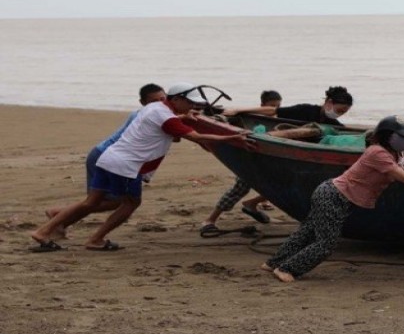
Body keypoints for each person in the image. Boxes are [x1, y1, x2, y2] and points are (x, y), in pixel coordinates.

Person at [30, 83, 249, 252]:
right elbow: (197, 136)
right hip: (126, 166)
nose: (193, 106)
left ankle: (43, 231)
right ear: (177, 99)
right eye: (189, 103)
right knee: (131, 203)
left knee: (92, 201)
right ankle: (96, 239)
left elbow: (166, 118)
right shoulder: (166, 117)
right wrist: (232, 137)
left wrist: (184, 115)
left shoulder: (155, 107)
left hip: (108, 158)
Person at [263, 116, 404, 283]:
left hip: (337, 196)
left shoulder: (399, 153)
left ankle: (271, 263)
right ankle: (287, 269)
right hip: (333, 195)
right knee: (326, 243)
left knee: (307, 231)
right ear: (389, 137)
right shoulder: (377, 153)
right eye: (403, 137)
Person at [44, 83, 167, 226]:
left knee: (97, 201)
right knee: (114, 201)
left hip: (104, 155)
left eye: (162, 100)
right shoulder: (144, 116)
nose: (159, 104)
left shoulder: (151, 114)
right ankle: (58, 214)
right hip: (108, 157)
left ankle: (60, 223)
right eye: (154, 101)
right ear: (143, 103)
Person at [199, 90, 282, 235]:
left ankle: (253, 203)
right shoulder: (252, 119)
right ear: (262, 105)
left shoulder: (277, 121)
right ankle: (210, 220)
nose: (275, 109)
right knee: (239, 190)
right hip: (249, 162)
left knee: (279, 187)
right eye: (272, 106)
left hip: (267, 161)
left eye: (278, 105)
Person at [225, 86, 353, 126]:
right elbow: (272, 111)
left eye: (343, 113)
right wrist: (238, 110)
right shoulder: (305, 110)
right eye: (339, 110)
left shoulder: (334, 124)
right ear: (329, 102)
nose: (339, 114)